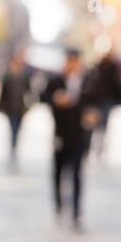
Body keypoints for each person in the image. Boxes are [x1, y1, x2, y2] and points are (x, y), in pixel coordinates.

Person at [42, 48, 99, 232]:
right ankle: (59, 207)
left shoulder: (89, 81)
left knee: (76, 173)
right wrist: (55, 99)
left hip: (79, 136)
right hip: (60, 134)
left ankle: (76, 212)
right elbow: (42, 97)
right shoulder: (56, 80)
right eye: (69, 61)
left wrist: (93, 114)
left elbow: (96, 103)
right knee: (58, 172)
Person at [89, 51, 121, 161]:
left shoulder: (113, 67)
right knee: (94, 125)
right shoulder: (96, 66)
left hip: (107, 101)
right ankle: (92, 147)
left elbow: (118, 83)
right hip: (97, 101)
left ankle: (100, 149)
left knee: (103, 126)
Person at [0, 48, 32, 171]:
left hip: (21, 109)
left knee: (17, 131)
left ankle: (14, 150)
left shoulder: (25, 75)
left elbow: (30, 92)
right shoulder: (7, 75)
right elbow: (2, 93)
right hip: (10, 109)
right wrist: (0, 107)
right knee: (13, 131)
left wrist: (29, 106)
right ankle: (13, 153)